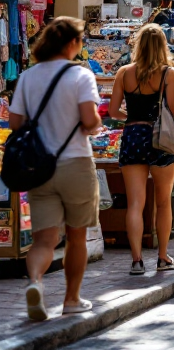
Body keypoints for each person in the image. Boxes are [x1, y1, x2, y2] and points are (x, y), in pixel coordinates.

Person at [10, 18, 102, 321]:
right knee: (76, 237)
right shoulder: (80, 75)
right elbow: (89, 120)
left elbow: (15, 124)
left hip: (39, 166)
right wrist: (95, 125)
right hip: (75, 163)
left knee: (43, 241)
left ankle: (35, 282)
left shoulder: (28, 76)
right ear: (72, 44)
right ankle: (71, 299)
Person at [109, 23, 174, 275]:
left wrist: (131, 117)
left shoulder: (124, 73)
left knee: (135, 203)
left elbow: (112, 111)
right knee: (162, 202)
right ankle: (162, 257)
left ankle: (137, 260)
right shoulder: (168, 73)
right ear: (162, 46)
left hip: (133, 136)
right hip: (160, 138)